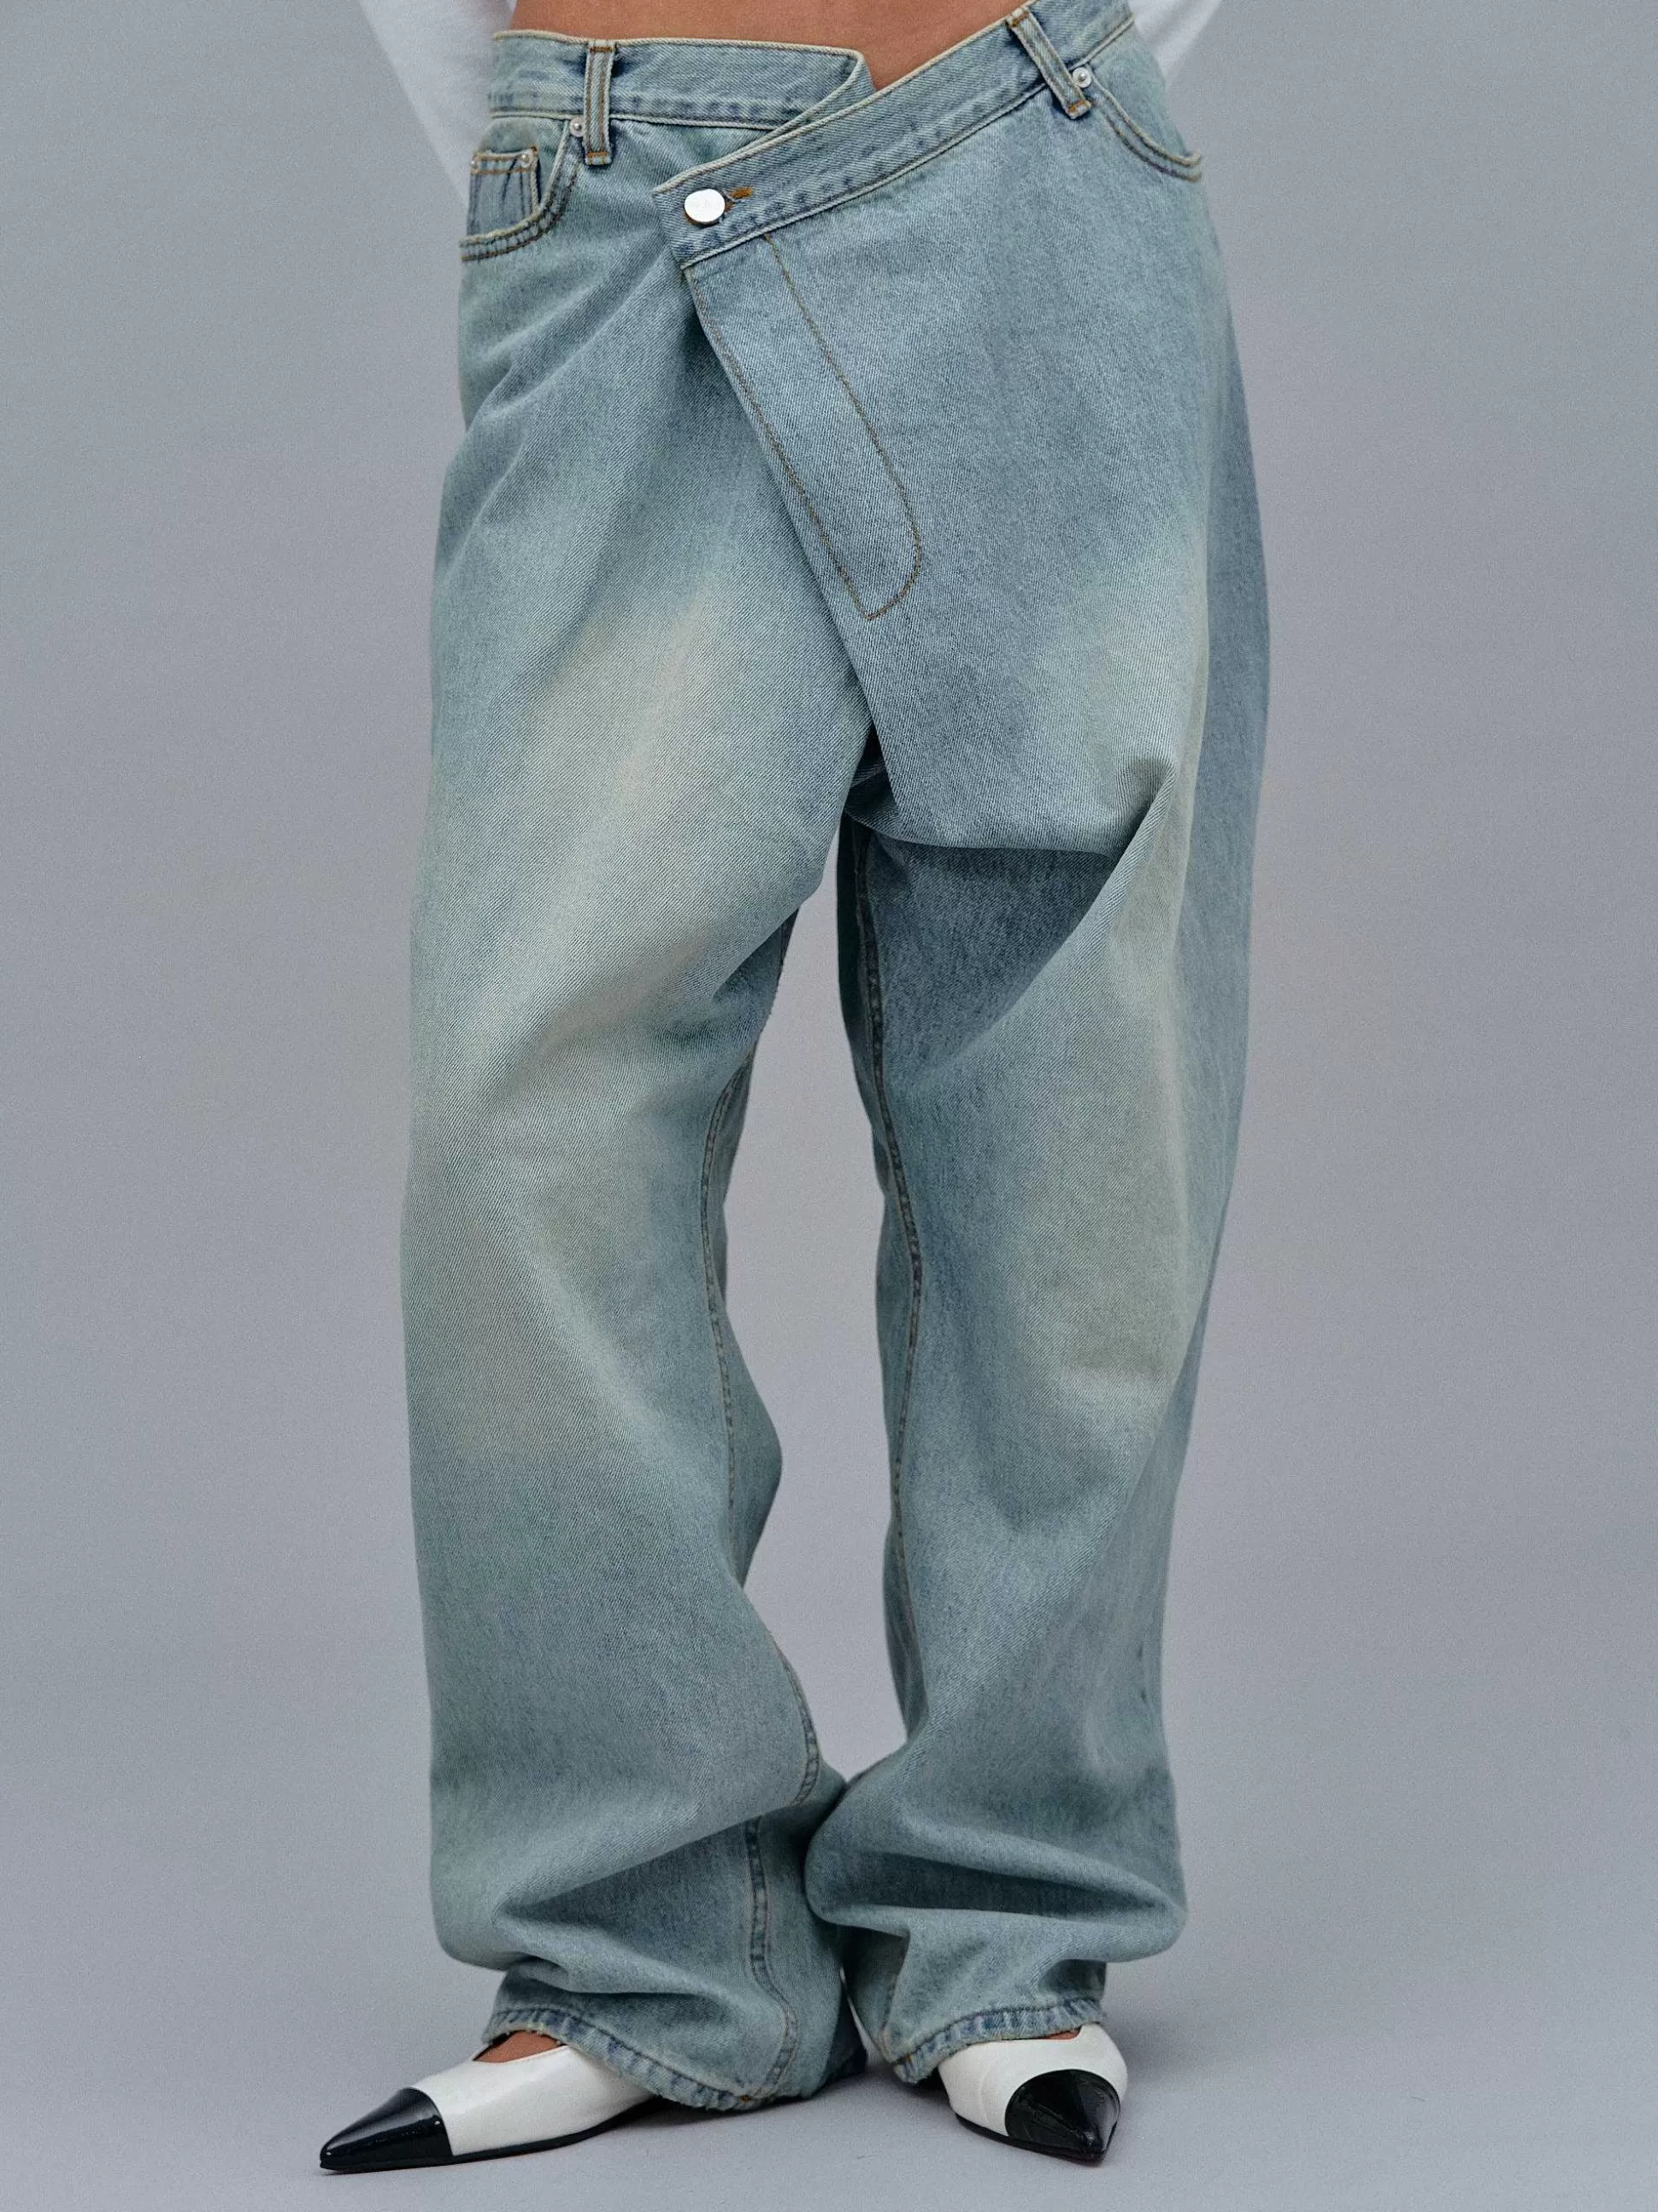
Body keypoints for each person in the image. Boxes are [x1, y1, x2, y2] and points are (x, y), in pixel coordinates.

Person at [321, 0, 1266, 2174]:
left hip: (1034, 172)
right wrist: (596, 131)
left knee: (1082, 1108)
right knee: (530, 1109)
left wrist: (1026, 97)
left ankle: (1008, 1906)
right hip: (617, 190)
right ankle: (642, 1929)